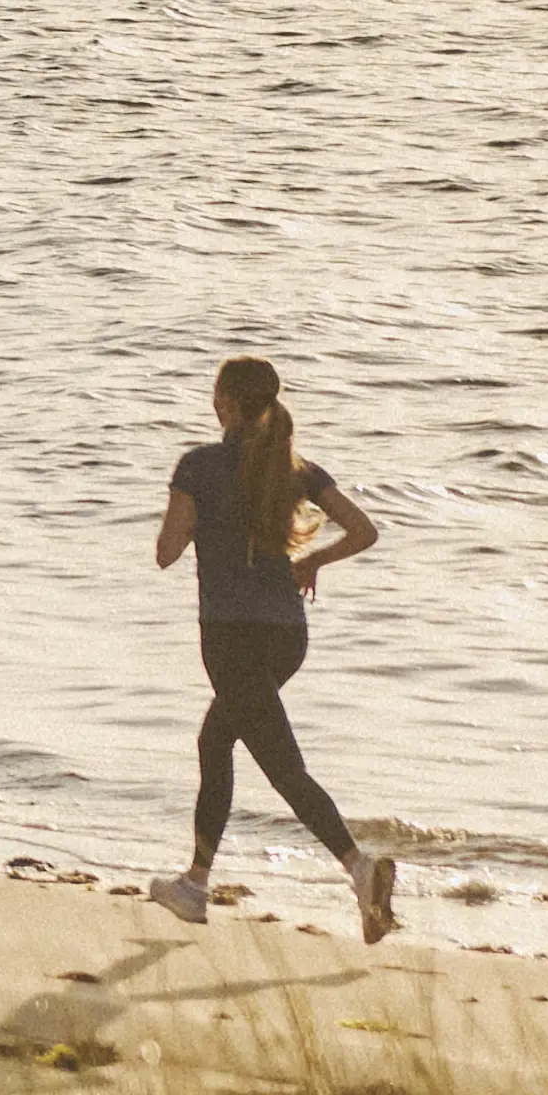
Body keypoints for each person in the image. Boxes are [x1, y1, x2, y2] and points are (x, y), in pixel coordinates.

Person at [149, 352, 393, 937]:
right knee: (216, 740)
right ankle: (196, 883)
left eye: (217, 396)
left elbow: (166, 553)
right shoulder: (297, 468)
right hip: (287, 635)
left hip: (230, 635)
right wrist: (313, 562)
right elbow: (364, 530)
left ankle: (359, 869)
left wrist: (195, 519)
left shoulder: (198, 466)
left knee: (281, 765)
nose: (214, 404)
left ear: (229, 404)